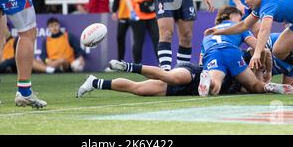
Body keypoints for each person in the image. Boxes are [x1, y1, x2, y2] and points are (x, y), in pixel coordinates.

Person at [200, 6, 293, 96]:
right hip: (232, 52)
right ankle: (267, 87)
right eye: (239, 17)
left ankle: (209, 82)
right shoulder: (239, 27)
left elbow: (201, 62)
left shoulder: (208, 33)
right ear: (232, 15)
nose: (241, 20)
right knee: (254, 85)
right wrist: (268, 72)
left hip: (213, 54)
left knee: (215, 88)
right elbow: (262, 49)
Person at [77, 59, 207, 97]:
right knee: (170, 77)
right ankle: (127, 66)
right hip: (194, 75)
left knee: (139, 89)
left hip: (185, 91)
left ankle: (94, 82)